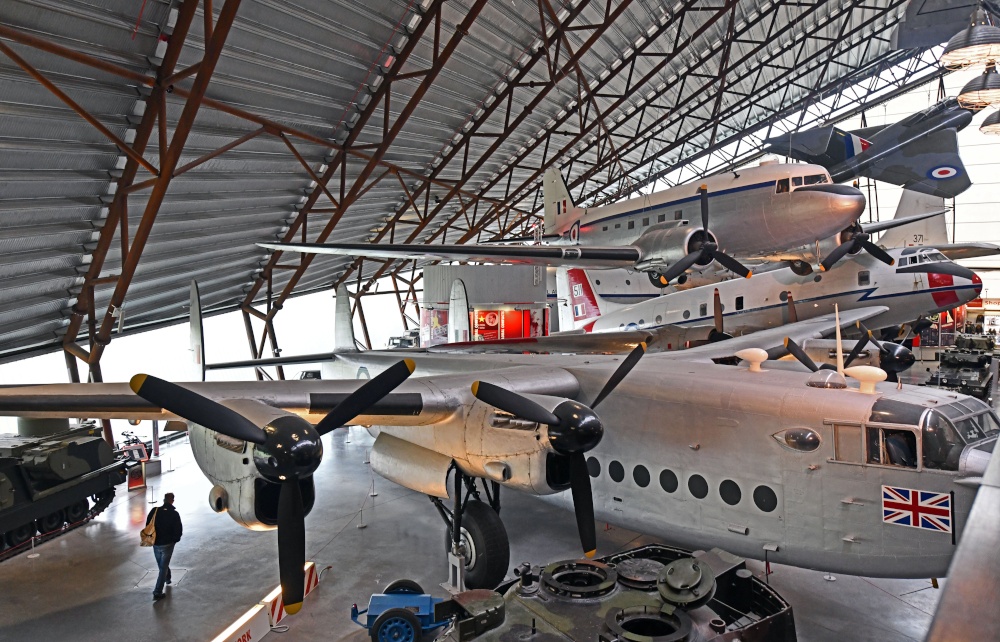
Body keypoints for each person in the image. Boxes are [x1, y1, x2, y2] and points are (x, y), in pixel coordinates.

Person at [146, 492, 182, 601]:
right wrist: (175, 540)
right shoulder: (174, 514)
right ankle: (157, 591)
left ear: (163, 500)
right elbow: (178, 529)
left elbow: (148, 525)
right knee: (163, 567)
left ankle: (167, 577)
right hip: (168, 544)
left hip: (156, 543)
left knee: (162, 565)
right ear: (172, 501)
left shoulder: (154, 511)